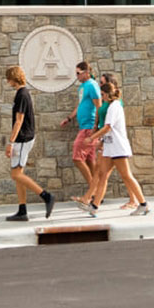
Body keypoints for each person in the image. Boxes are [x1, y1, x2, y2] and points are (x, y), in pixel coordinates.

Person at [92, 75, 149, 215]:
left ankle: (143, 204)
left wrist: (91, 138)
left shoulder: (115, 107)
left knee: (127, 176)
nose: (102, 97)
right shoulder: (112, 106)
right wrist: (101, 141)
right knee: (103, 175)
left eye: (103, 94)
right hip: (110, 148)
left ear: (107, 94)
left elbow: (107, 127)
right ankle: (93, 207)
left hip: (118, 148)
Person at [3, 66, 54, 221]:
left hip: (22, 139)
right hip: (23, 139)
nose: (7, 81)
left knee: (15, 174)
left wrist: (10, 142)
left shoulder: (22, 95)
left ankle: (46, 196)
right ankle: (22, 209)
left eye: (8, 78)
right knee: (18, 175)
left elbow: (19, 121)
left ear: (13, 78)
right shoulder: (22, 94)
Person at [58, 60, 102, 207]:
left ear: (86, 72)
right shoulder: (83, 87)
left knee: (77, 158)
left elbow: (99, 107)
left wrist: (96, 129)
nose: (76, 76)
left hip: (89, 128)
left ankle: (93, 192)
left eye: (78, 73)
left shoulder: (92, 85)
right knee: (90, 161)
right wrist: (69, 118)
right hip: (84, 126)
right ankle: (95, 194)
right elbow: (81, 105)